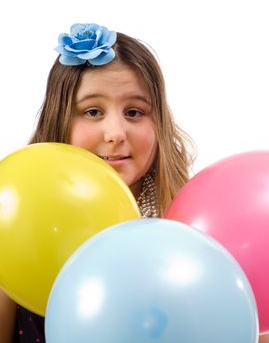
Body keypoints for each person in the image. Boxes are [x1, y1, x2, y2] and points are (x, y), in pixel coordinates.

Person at [0, 22, 195, 343]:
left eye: (134, 112)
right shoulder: (16, 234)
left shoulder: (189, 235)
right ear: (58, 120)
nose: (116, 133)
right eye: (92, 111)